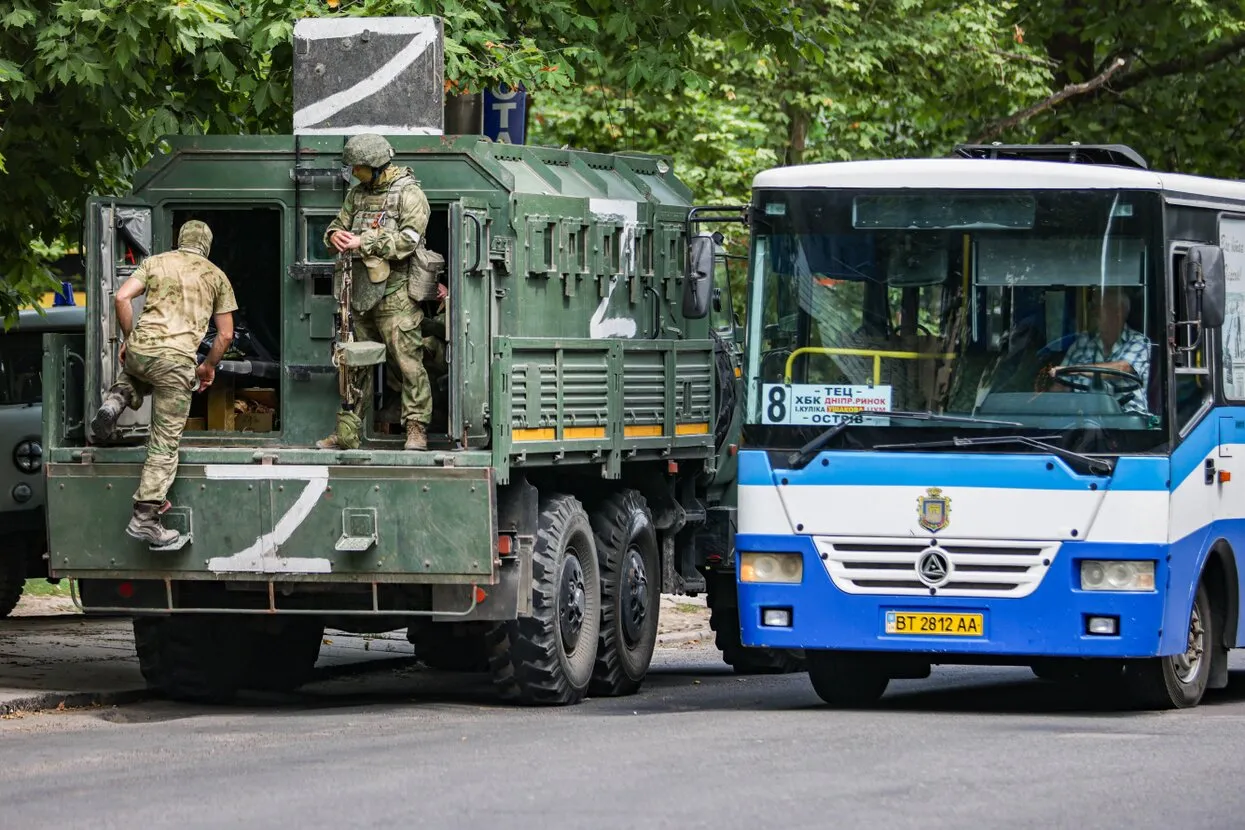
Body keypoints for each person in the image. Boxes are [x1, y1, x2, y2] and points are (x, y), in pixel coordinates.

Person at [91, 220, 237, 546]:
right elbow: (225, 334)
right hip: (175, 363)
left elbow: (121, 298)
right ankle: (145, 518)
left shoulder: (155, 262)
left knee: (138, 371)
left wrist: (131, 339)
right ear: (207, 246)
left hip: (141, 351)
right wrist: (207, 367)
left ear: (180, 239)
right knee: (164, 444)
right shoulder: (216, 276)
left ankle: (116, 399)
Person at [316, 133, 433, 451]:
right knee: (355, 364)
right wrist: (335, 236)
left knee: (408, 363)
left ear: (377, 165)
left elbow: (407, 241)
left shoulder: (409, 194)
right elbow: (337, 225)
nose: (353, 172)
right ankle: (348, 434)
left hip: (396, 295)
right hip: (359, 293)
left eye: (358, 167)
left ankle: (416, 429)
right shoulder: (357, 195)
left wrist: (363, 241)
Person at [1049, 287, 1151, 413]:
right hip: (1082, 421)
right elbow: (1061, 383)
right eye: (1093, 307)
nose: (1093, 312)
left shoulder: (1139, 342)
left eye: (1098, 307)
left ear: (1118, 312)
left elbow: (1123, 368)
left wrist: (1077, 370)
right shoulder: (1082, 343)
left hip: (1128, 422)